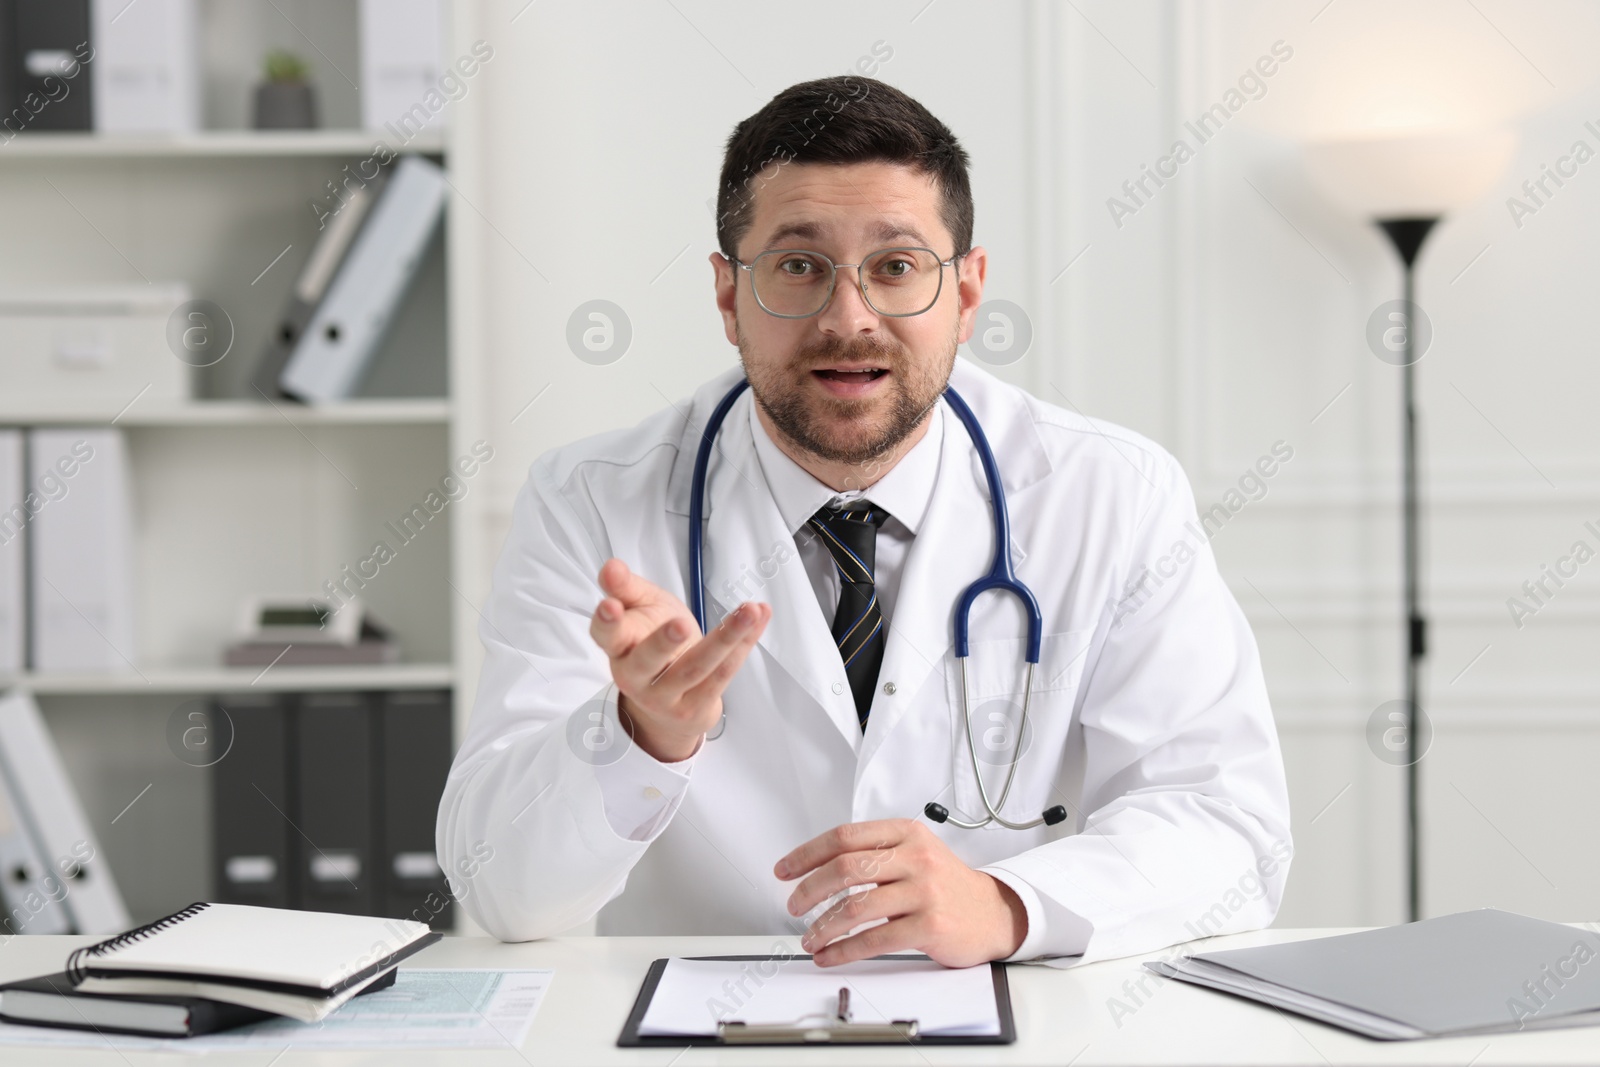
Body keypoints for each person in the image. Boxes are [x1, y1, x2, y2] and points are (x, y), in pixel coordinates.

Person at [437, 76, 1291, 968]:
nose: (849, 321)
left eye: (896, 267)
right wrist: (639, 735)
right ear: (729, 296)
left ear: (966, 292)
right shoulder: (588, 501)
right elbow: (500, 888)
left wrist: (1006, 904)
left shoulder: (1114, 494)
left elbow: (1228, 826)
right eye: (798, 266)